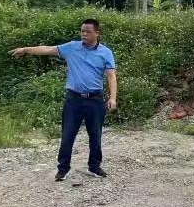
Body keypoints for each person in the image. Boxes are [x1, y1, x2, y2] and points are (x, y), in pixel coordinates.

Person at [9, 19, 117, 182]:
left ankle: (94, 166)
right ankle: (63, 168)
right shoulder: (72, 47)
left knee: (95, 134)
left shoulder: (105, 52)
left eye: (88, 31)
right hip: (73, 99)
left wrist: (113, 97)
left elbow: (111, 75)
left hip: (95, 100)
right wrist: (26, 49)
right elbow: (46, 49)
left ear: (97, 33)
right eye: (82, 31)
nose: (84, 34)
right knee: (67, 134)